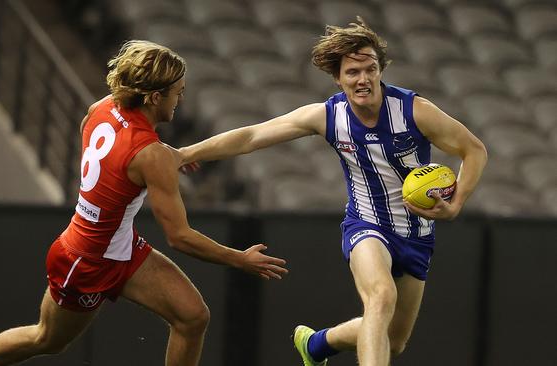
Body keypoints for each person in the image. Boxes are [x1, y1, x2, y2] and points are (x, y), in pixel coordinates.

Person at [0, 40, 288, 366]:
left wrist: (163, 162)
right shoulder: (151, 156)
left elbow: (116, 158)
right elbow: (180, 237)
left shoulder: (102, 108)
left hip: (119, 248)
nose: (179, 101)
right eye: (177, 94)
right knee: (47, 339)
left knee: (193, 316)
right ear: (154, 97)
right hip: (85, 258)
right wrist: (240, 259)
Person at [178, 18, 487, 366]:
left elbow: (473, 150)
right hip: (367, 226)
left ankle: (316, 345)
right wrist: (187, 153)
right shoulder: (327, 116)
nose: (363, 79)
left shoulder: (414, 111)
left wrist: (457, 202)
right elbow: (251, 136)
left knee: (394, 341)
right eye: (353, 72)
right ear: (338, 78)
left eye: (371, 69)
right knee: (380, 298)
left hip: (418, 236)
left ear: (380, 70)